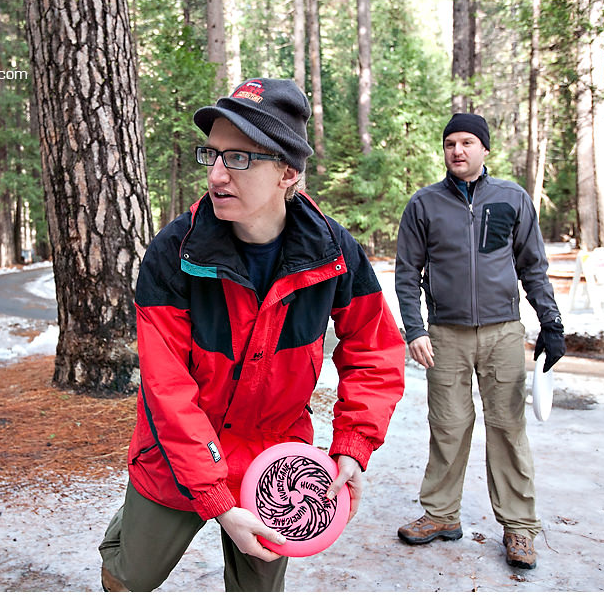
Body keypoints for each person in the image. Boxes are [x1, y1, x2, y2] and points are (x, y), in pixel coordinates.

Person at [98, 78, 406, 591]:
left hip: (276, 464)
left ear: (288, 171)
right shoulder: (175, 253)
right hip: (178, 454)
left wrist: (354, 443)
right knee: (131, 576)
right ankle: (130, 535)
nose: (217, 174)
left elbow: (374, 349)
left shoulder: (334, 253)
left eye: (239, 158)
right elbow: (168, 392)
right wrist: (217, 502)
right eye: (213, 155)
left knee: (259, 588)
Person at [393, 113, 566, 570]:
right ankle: (440, 514)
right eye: (450, 143)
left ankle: (519, 528)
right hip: (445, 335)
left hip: (503, 332)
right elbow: (407, 273)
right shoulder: (424, 204)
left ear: (485, 149)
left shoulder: (512, 198)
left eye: (468, 142)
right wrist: (415, 329)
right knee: (448, 427)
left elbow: (533, 266)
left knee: (508, 430)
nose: (458, 151)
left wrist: (551, 322)